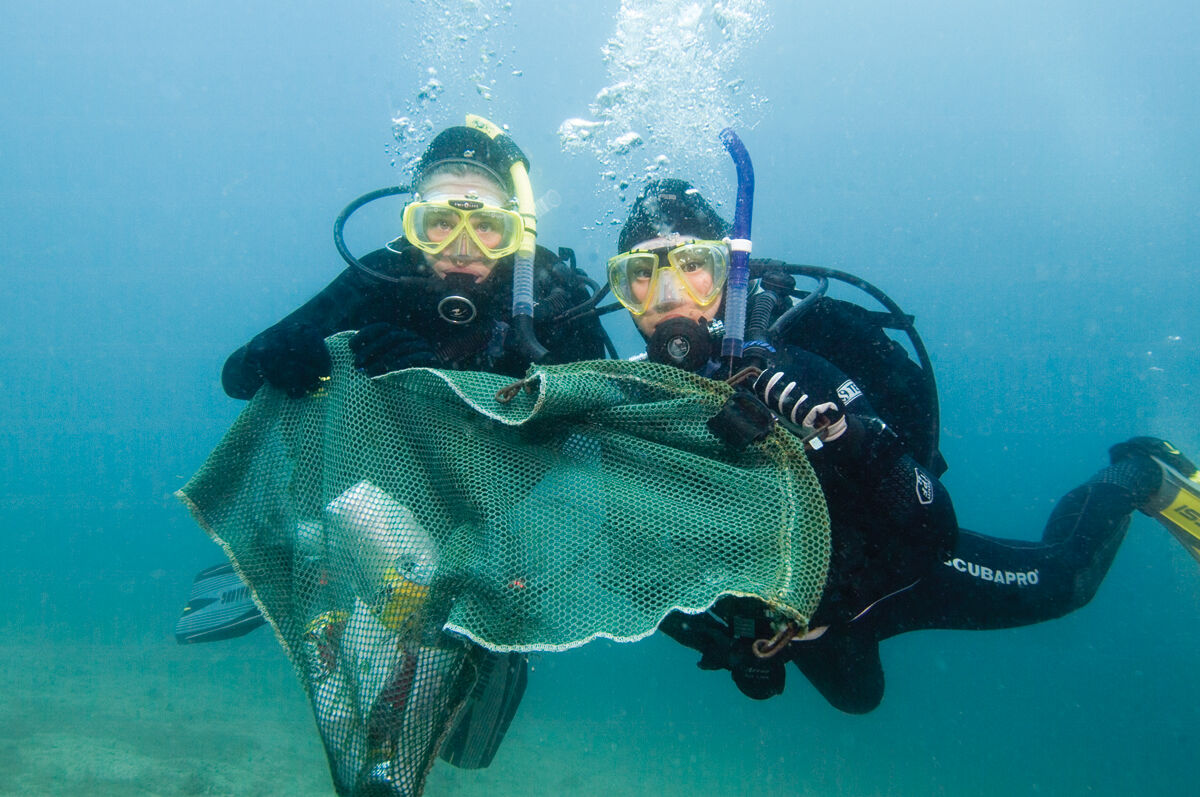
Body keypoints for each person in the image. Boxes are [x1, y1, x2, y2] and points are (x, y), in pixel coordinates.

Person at [608, 178, 1200, 713]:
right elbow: (629, 561)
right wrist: (728, 642)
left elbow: (934, 525)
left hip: (900, 573)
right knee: (858, 699)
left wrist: (844, 436)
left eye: (693, 265)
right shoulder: (623, 404)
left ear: (732, 274)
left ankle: (1140, 473)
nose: (667, 295)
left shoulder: (800, 363)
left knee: (1067, 580)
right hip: (810, 615)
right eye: (640, 274)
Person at [179, 122, 611, 773]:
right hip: (375, 496)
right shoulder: (381, 276)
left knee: (450, 667)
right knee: (376, 642)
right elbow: (239, 374)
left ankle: (476, 648)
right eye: (438, 223)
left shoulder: (548, 297)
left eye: (487, 227)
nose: (462, 248)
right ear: (412, 225)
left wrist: (457, 388)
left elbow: (595, 424)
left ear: (516, 228)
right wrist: (285, 353)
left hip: (501, 511)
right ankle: (310, 570)